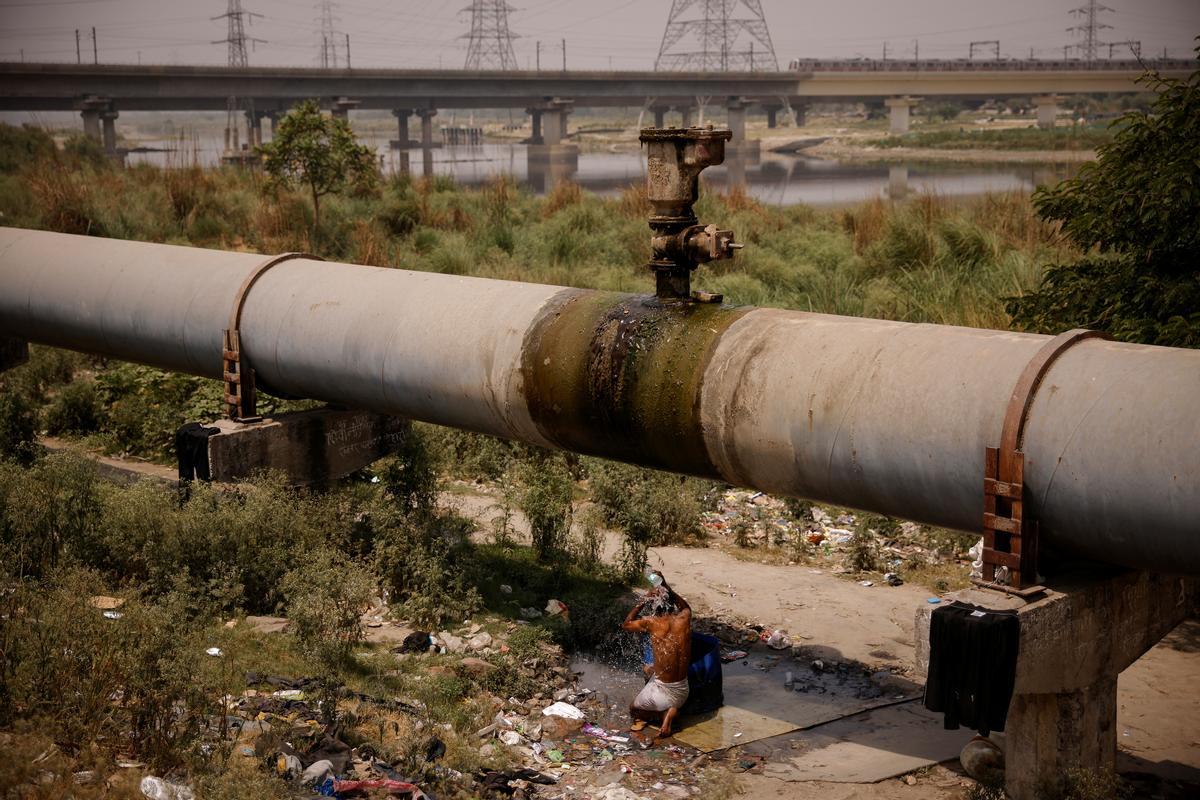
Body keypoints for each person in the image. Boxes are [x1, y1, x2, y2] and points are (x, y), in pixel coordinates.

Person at [621, 570, 692, 738]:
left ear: (654, 607)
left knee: (633, 709)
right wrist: (665, 586)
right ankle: (671, 708)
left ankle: (665, 715)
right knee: (651, 670)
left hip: (663, 693)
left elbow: (626, 624)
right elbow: (685, 606)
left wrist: (644, 599)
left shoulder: (652, 622)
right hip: (683, 691)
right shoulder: (684, 618)